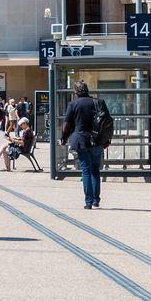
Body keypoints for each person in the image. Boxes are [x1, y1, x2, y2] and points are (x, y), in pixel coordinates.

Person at [61, 80, 102, 209]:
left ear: (76, 92)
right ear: (87, 90)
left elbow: (67, 125)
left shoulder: (73, 104)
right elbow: (107, 122)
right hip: (97, 141)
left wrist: (63, 139)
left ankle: (88, 202)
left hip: (81, 141)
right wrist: (106, 140)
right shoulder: (98, 102)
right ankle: (96, 200)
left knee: (86, 170)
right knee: (95, 170)